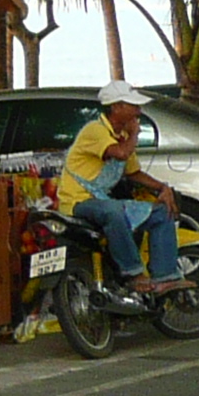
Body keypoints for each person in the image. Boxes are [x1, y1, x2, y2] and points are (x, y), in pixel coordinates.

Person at [59, 82, 182, 294]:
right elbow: (120, 154)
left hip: (102, 201)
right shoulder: (95, 130)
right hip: (78, 202)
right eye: (133, 106)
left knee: (161, 212)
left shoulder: (123, 138)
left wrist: (163, 188)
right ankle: (133, 273)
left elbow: (133, 173)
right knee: (113, 211)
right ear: (116, 107)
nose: (138, 111)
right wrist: (135, 134)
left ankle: (165, 277)